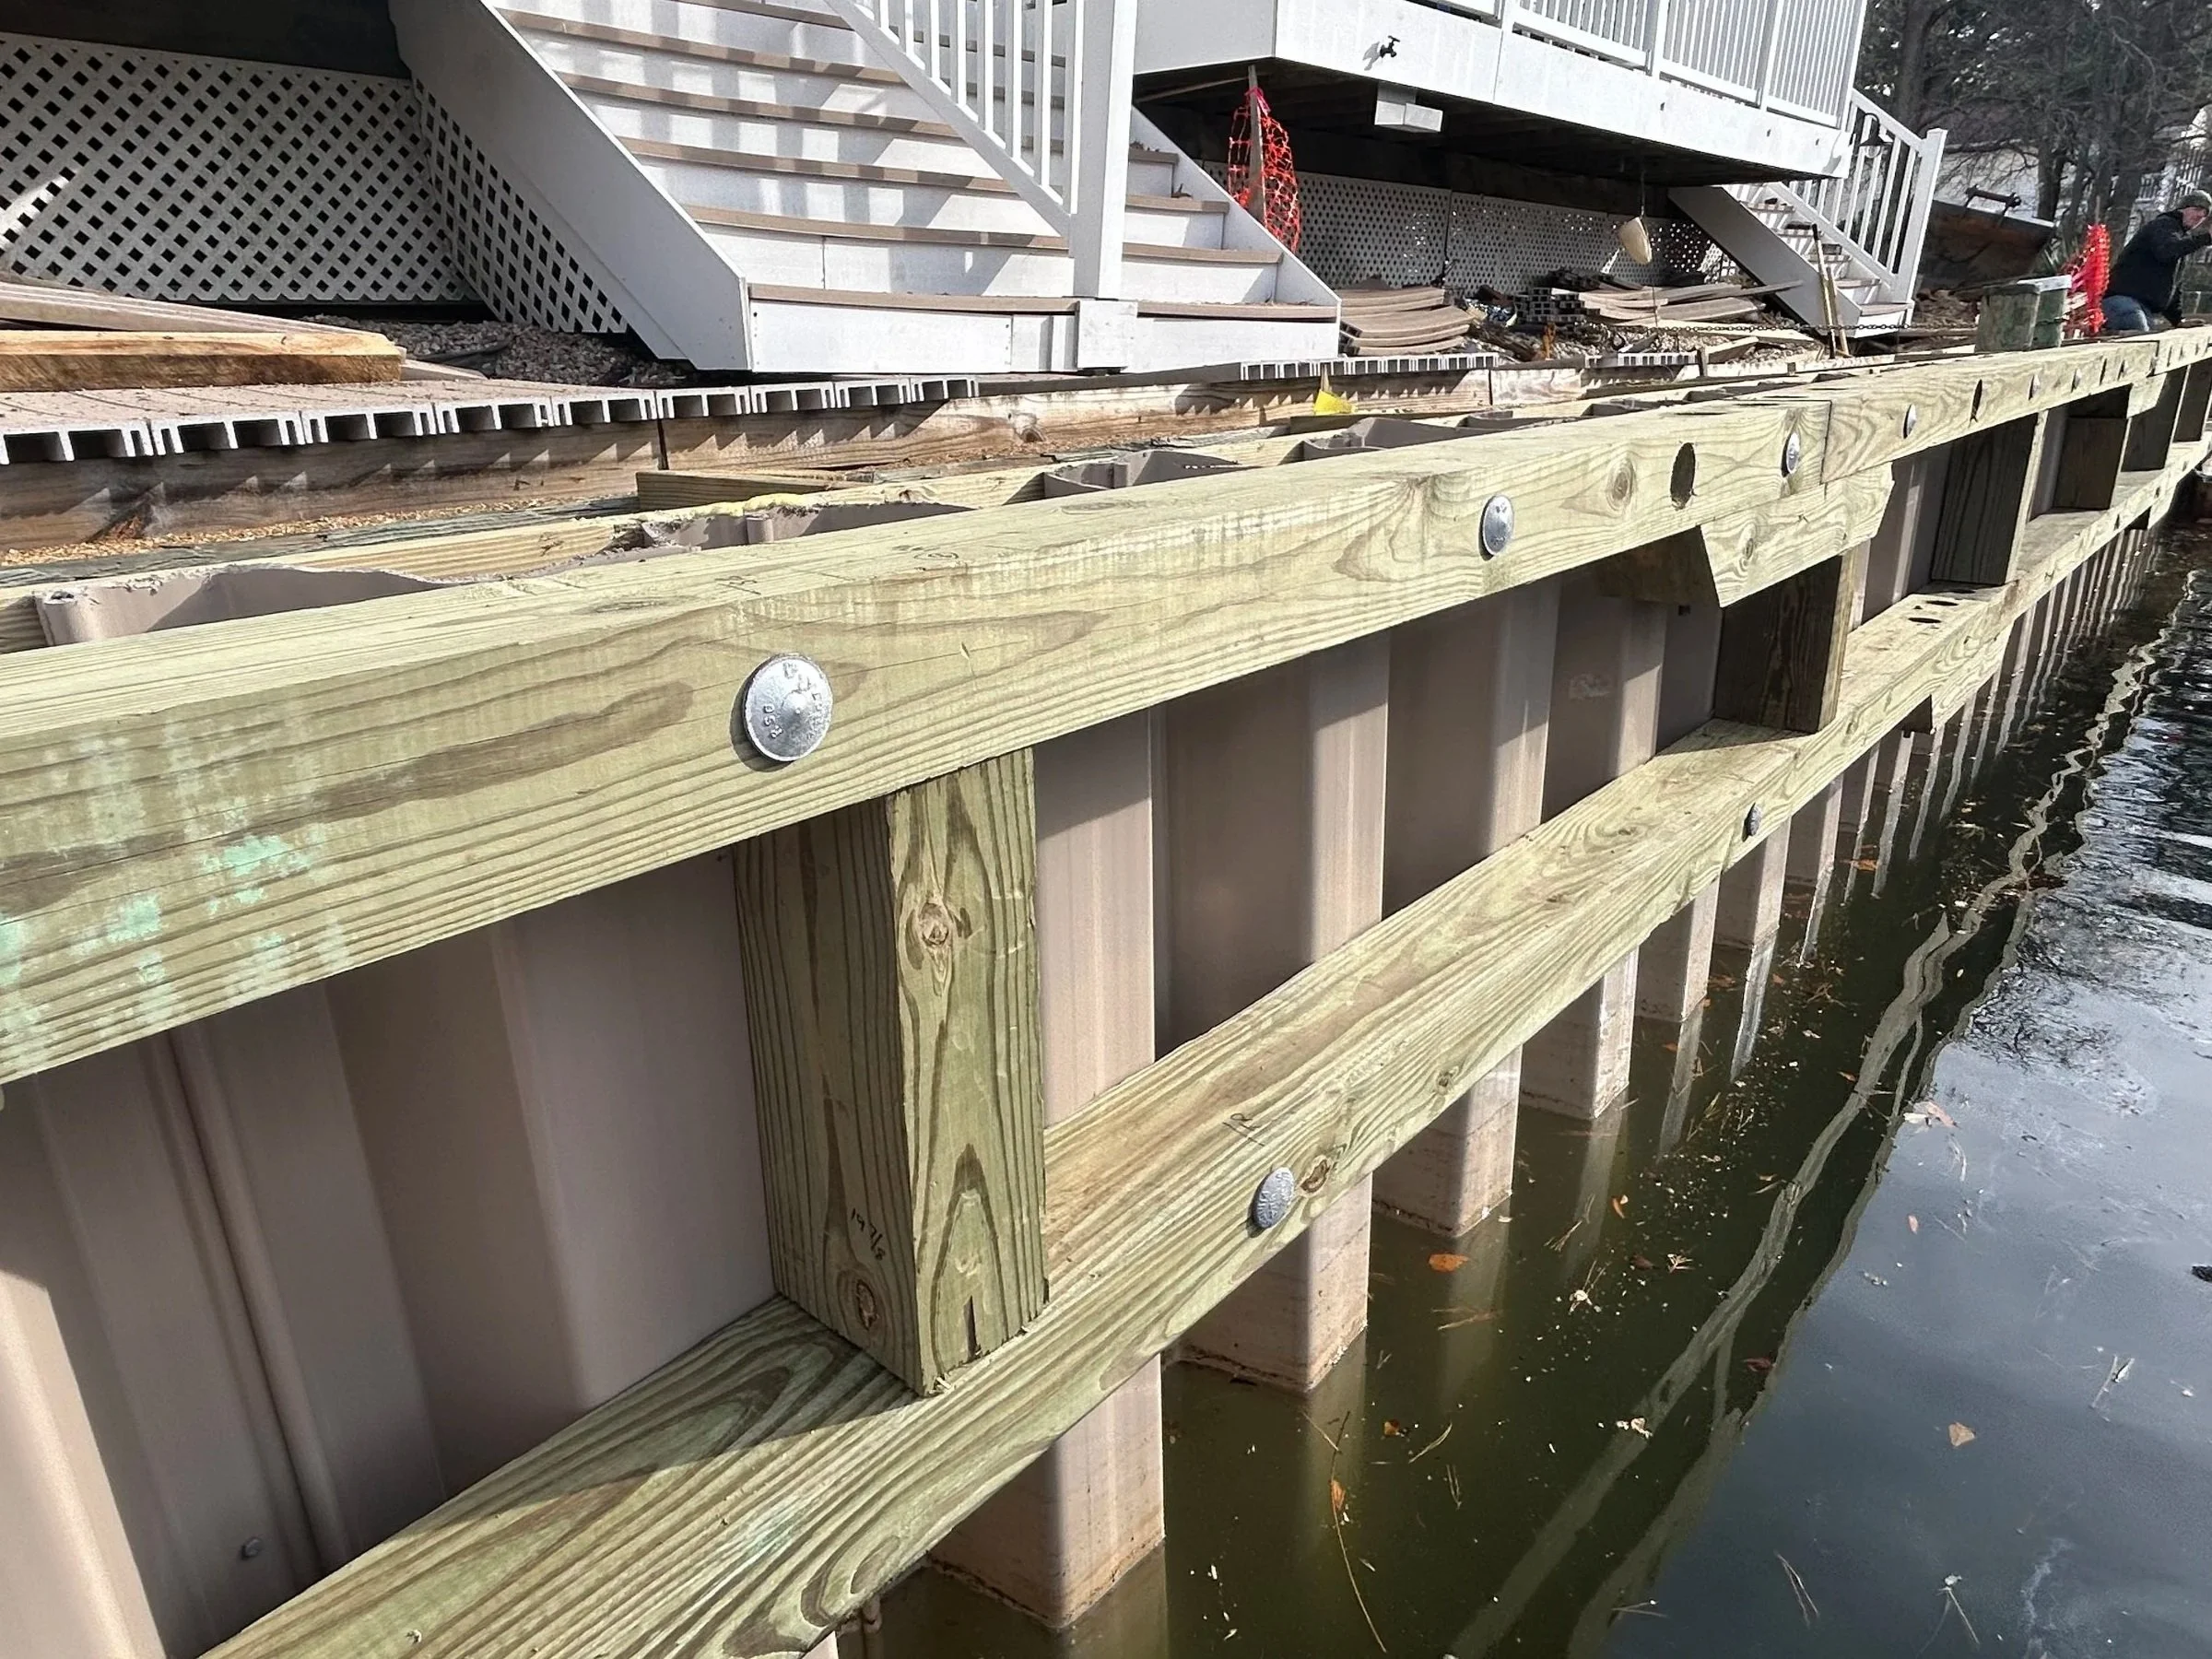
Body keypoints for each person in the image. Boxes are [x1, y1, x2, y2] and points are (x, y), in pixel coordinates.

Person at [2103, 189, 2212, 332]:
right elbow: (2167, 251)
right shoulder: (2164, 224)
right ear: (2182, 209)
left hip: (2143, 307)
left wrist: (2177, 320)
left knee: (2148, 340)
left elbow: (2172, 285)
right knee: (2139, 340)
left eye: (2204, 215)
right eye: (2197, 209)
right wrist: (2206, 238)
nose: (2200, 216)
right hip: (2123, 301)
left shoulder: (2181, 240)